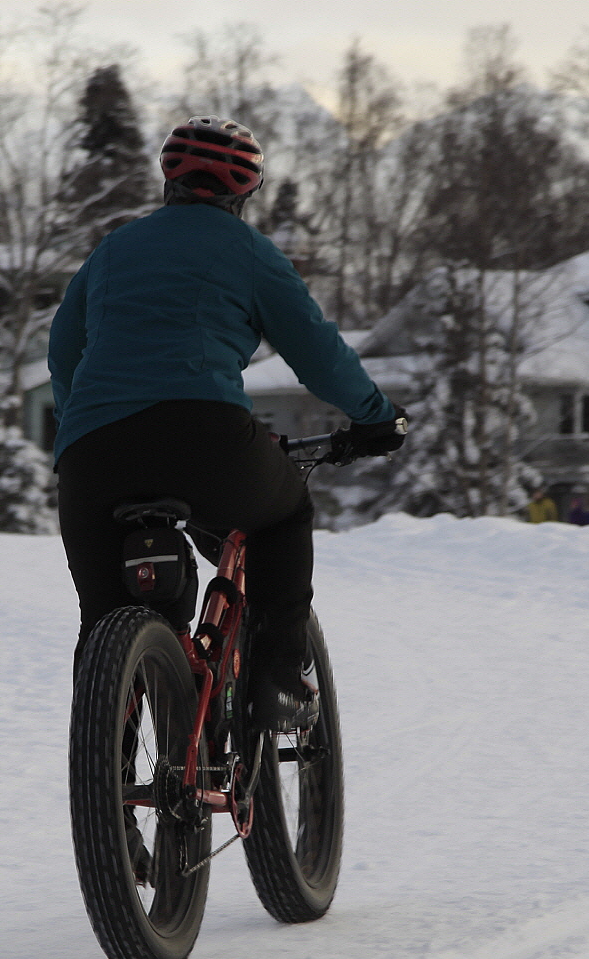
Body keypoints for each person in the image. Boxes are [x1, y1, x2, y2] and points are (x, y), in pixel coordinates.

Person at [47, 116, 405, 727]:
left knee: (103, 616)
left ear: (169, 180)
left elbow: (64, 350)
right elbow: (316, 351)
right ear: (244, 193)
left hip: (93, 455)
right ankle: (279, 682)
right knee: (284, 512)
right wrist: (376, 416)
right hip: (205, 439)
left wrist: (83, 429)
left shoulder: (113, 249)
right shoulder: (250, 252)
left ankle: (108, 778)